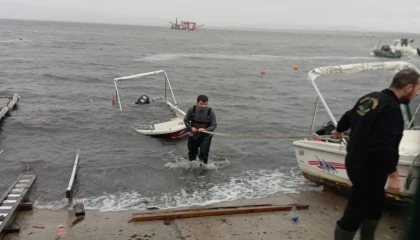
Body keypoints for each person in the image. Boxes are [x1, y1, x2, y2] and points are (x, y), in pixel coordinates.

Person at [331, 68, 420, 240]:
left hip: (355, 161)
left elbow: (349, 115)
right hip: (370, 168)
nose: (417, 94)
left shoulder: (370, 97)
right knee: (356, 209)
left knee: (375, 204)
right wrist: (393, 175)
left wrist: (339, 129)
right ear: (408, 88)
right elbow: (383, 146)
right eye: (417, 90)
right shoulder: (392, 110)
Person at [183, 95, 217, 165]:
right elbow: (186, 121)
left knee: (204, 153)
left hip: (206, 135)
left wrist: (205, 129)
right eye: (201, 104)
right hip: (193, 134)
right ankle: (192, 166)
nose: (203, 106)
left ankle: (203, 168)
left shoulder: (211, 112)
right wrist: (191, 128)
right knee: (192, 152)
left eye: (205, 104)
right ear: (197, 103)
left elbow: (214, 125)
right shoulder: (191, 110)